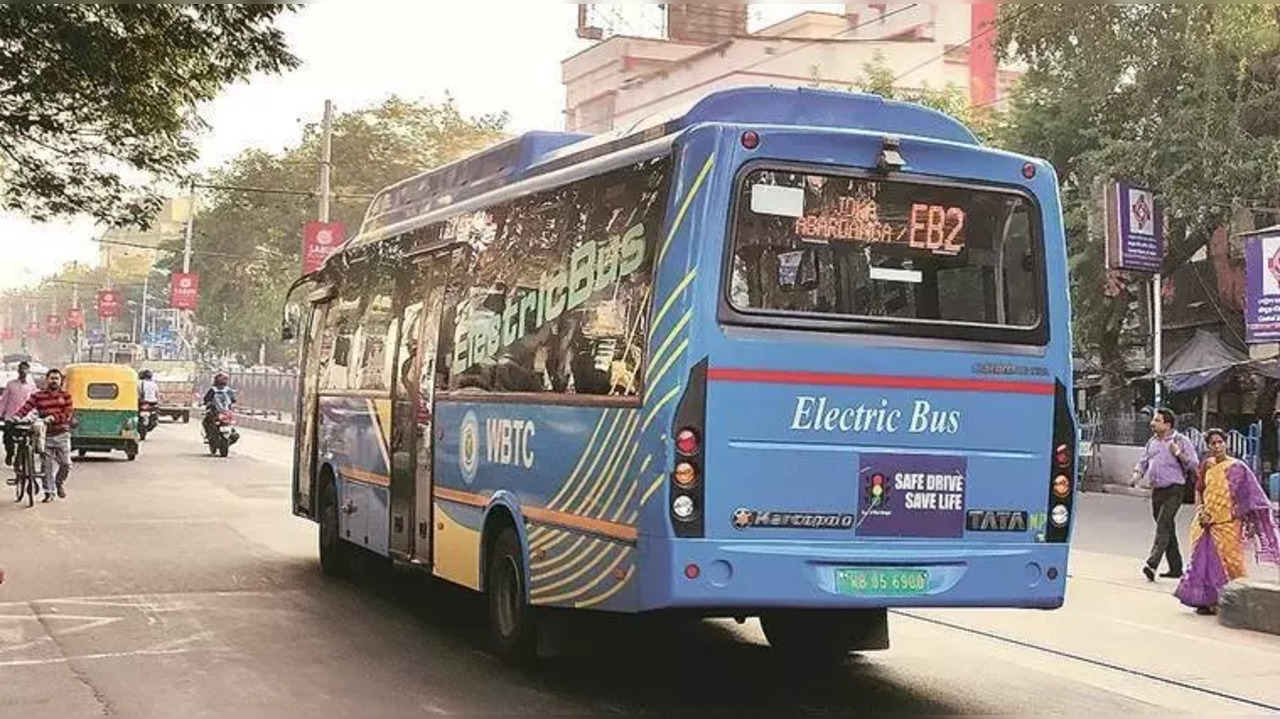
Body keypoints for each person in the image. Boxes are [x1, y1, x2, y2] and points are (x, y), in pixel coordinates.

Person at [1175, 428, 1280, 615]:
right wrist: (1200, 510)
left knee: (1231, 563)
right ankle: (1207, 601)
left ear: (1226, 444)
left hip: (1228, 524)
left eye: (1220, 442)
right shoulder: (1207, 465)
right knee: (1202, 561)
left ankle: (1236, 601)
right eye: (1212, 444)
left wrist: (1240, 515)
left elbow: (1250, 495)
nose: (1217, 446)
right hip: (1205, 522)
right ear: (1208, 446)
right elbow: (1200, 490)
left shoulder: (1237, 467)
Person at [1130, 408, 1199, 581]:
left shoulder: (1181, 441)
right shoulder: (1152, 441)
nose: (1152, 423)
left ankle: (1151, 564)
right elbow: (1144, 461)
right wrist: (1137, 474)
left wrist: (1177, 453)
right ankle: (1176, 568)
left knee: (1163, 524)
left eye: (1157, 420)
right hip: (1157, 490)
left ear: (1167, 424)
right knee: (1168, 528)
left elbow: (1194, 463)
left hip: (1175, 489)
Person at [13, 368, 74, 502]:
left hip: (62, 434)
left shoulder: (66, 396)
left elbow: (67, 414)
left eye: (56, 378)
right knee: (47, 465)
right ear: (47, 380)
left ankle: (59, 482)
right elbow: (26, 407)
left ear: (60, 381)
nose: (54, 381)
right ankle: (49, 492)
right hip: (44, 435)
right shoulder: (38, 396)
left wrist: (53, 418)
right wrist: (17, 416)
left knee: (66, 464)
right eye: (51, 378)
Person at [0, 361, 36, 467]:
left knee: (29, 439)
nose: (23, 372)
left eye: (25, 369)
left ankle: (21, 459)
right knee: (8, 437)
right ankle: (10, 453)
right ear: (18, 371)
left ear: (28, 371)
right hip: (11, 417)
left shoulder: (32, 386)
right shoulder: (11, 385)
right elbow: (4, 401)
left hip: (27, 418)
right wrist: (1, 413)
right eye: (21, 369)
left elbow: (35, 401)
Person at [202, 372, 236, 436]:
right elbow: (233, 400)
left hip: (216, 412)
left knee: (206, 422)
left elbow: (206, 399)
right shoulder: (228, 390)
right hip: (226, 412)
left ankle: (208, 435)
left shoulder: (213, 389)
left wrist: (206, 404)